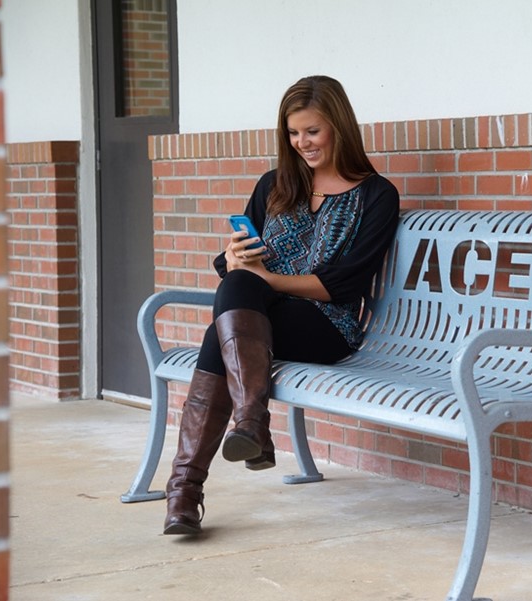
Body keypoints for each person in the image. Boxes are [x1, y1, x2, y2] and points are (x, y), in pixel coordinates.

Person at [163, 75, 400, 535]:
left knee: (220, 330)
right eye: (293, 133)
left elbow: (344, 285)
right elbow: (234, 263)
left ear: (339, 127)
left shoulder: (376, 195)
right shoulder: (275, 184)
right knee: (235, 292)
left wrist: (263, 277)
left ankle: (186, 491)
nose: (302, 143)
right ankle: (248, 427)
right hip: (259, 318)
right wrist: (233, 255)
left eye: (313, 131)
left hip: (326, 325)